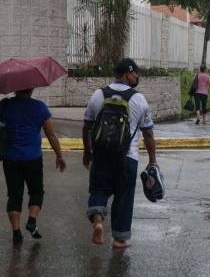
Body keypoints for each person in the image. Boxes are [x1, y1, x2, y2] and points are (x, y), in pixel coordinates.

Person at [82, 58, 157, 249]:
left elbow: (87, 126)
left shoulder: (99, 94)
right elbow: (148, 132)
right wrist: (152, 160)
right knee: (124, 196)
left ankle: (98, 222)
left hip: (101, 155)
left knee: (99, 190)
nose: (137, 76)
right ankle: (119, 238)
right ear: (126, 74)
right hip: (127, 157)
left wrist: (87, 152)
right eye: (135, 73)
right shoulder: (138, 98)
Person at [0, 88, 66, 246]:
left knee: (14, 196)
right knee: (36, 191)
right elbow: (51, 134)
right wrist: (59, 155)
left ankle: (16, 233)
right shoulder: (39, 107)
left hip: (10, 158)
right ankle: (31, 220)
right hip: (33, 158)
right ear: (31, 89)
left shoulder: (4, 106)